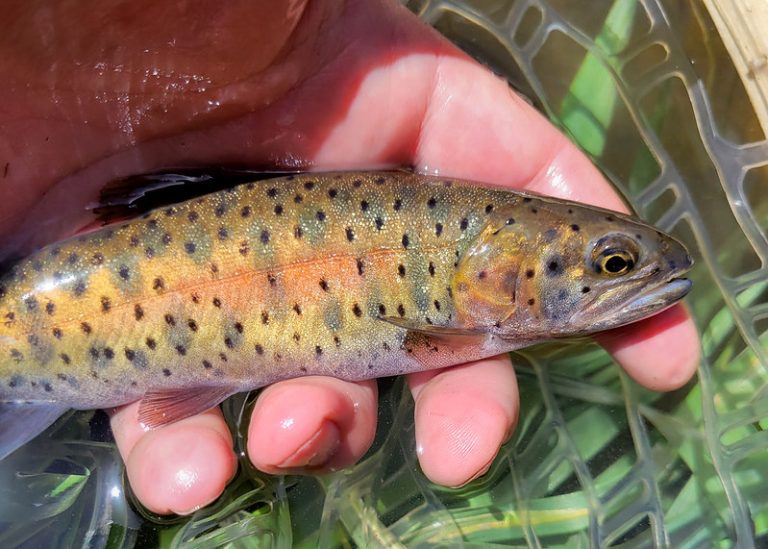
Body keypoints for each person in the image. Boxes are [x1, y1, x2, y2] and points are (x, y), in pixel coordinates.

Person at [0, 0, 699, 515]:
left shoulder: (463, 287)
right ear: (496, 268)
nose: (627, 277)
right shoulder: (454, 318)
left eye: (611, 265)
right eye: (610, 264)